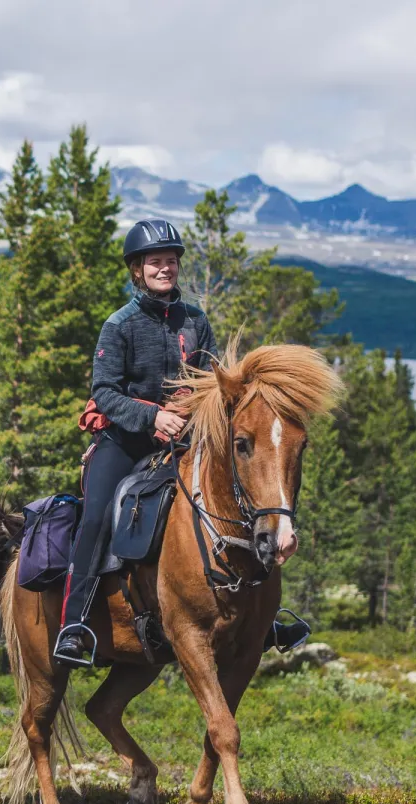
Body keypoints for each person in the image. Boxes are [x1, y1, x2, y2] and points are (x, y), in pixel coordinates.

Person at [52, 218, 308, 667]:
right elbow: (105, 392)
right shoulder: (120, 325)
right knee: (95, 518)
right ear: (137, 270)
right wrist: (153, 415)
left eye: (170, 261)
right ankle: (74, 624)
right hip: (125, 441)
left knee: (242, 499)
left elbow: (210, 381)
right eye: (155, 262)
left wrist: (201, 409)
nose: (165, 268)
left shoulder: (195, 320)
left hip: (186, 439)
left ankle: (263, 620)